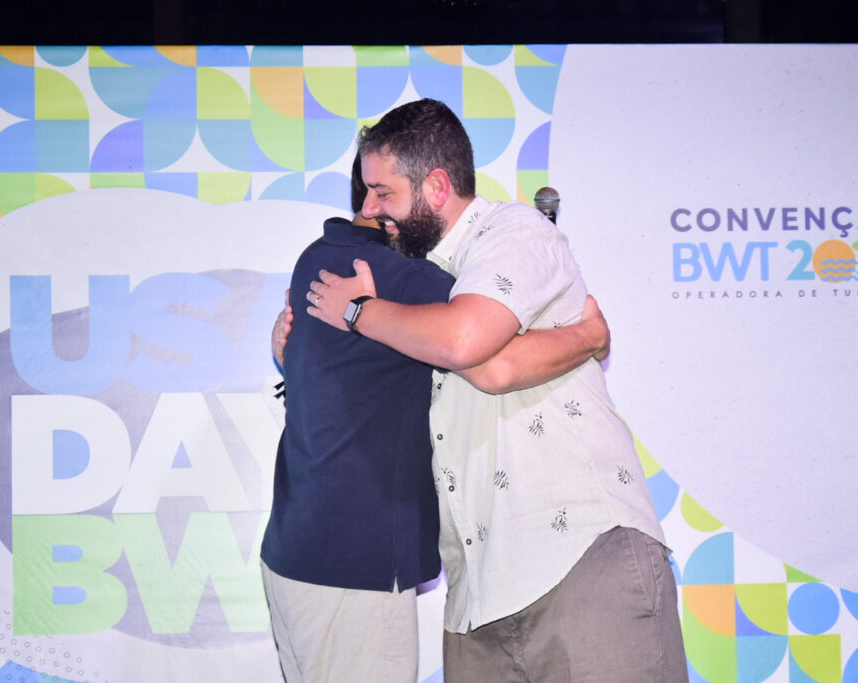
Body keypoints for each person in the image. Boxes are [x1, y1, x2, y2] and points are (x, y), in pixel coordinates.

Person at [306, 99, 689, 682]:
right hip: (476, 600)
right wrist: (301, 346)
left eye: (382, 194)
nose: (366, 210)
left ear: (436, 186)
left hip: (581, 561)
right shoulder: (404, 281)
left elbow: (469, 348)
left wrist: (360, 312)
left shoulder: (514, 232)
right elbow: (449, 371)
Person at [261, 153, 611, 682]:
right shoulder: (404, 278)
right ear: (379, 200)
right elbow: (488, 357)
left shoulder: (318, 257)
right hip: (353, 564)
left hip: (297, 553)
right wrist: (588, 337)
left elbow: (338, 377)